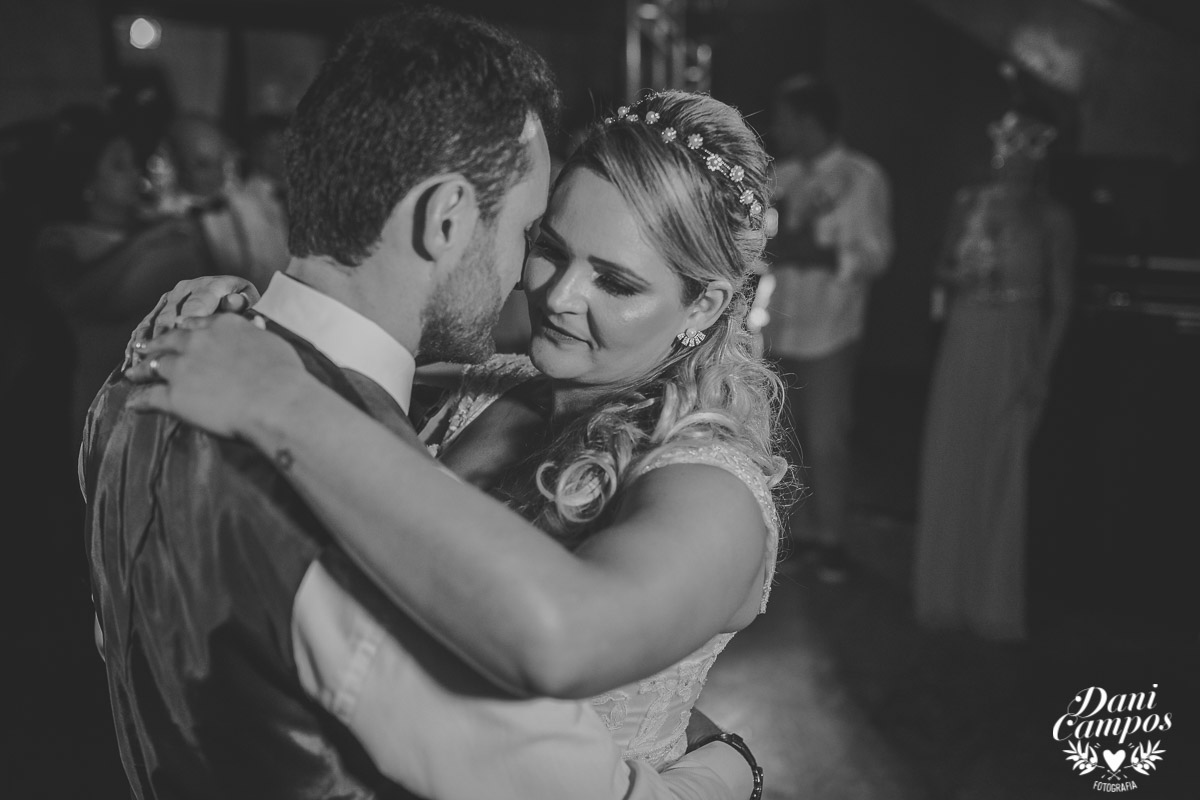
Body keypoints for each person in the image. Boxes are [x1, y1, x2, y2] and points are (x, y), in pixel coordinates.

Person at [85, 10, 760, 800]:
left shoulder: (134, 392)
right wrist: (727, 771)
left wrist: (719, 763)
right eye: (542, 242)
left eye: (616, 281)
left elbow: (568, 644)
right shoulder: (479, 389)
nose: (550, 293)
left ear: (704, 304)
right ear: (446, 218)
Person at [913, 109, 1075, 642]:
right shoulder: (969, 203)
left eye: (1026, 152)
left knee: (1003, 467)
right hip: (966, 335)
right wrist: (962, 275)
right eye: (1009, 150)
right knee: (954, 456)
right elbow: (940, 267)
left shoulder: (1052, 219)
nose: (1014, 161)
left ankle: (991, 601)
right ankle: (946, 593)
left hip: (1015, 342)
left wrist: (1042, 368)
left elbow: (1063, 300)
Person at [756, 75, 892, 582]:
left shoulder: (863, 176)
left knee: (826, 437)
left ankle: (831, 539)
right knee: (783, 437)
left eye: (785, 119)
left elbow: (877, 253)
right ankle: (794, 536)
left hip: (830, 327)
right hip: (780, 324)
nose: (778, 129)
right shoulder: (782, 175)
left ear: (810, 121)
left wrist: (823, 255)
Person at [34, 105, 222, 444]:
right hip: (108, 393)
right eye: (120, 165)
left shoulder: (163, 226)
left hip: (177, 387)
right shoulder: (62, 239)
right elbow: (72, 295)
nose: (135, 172)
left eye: (135, 162)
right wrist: (142, 242)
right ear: (87, 179)